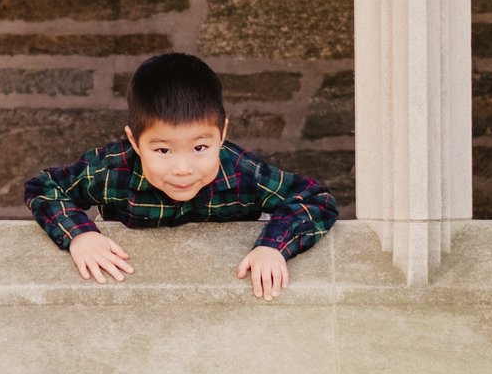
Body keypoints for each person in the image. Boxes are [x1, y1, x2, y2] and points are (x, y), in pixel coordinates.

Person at [24, 53, 337, 300]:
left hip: (224, 295)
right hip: (134, 291)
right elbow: (44, 186)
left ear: (222, 133)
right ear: (134, 141)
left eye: (200, 147)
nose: (183, 168)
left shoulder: (241, 170)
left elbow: (315, 198)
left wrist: (273, 246)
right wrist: (81, 234)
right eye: (163, 151)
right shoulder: (111, 168)